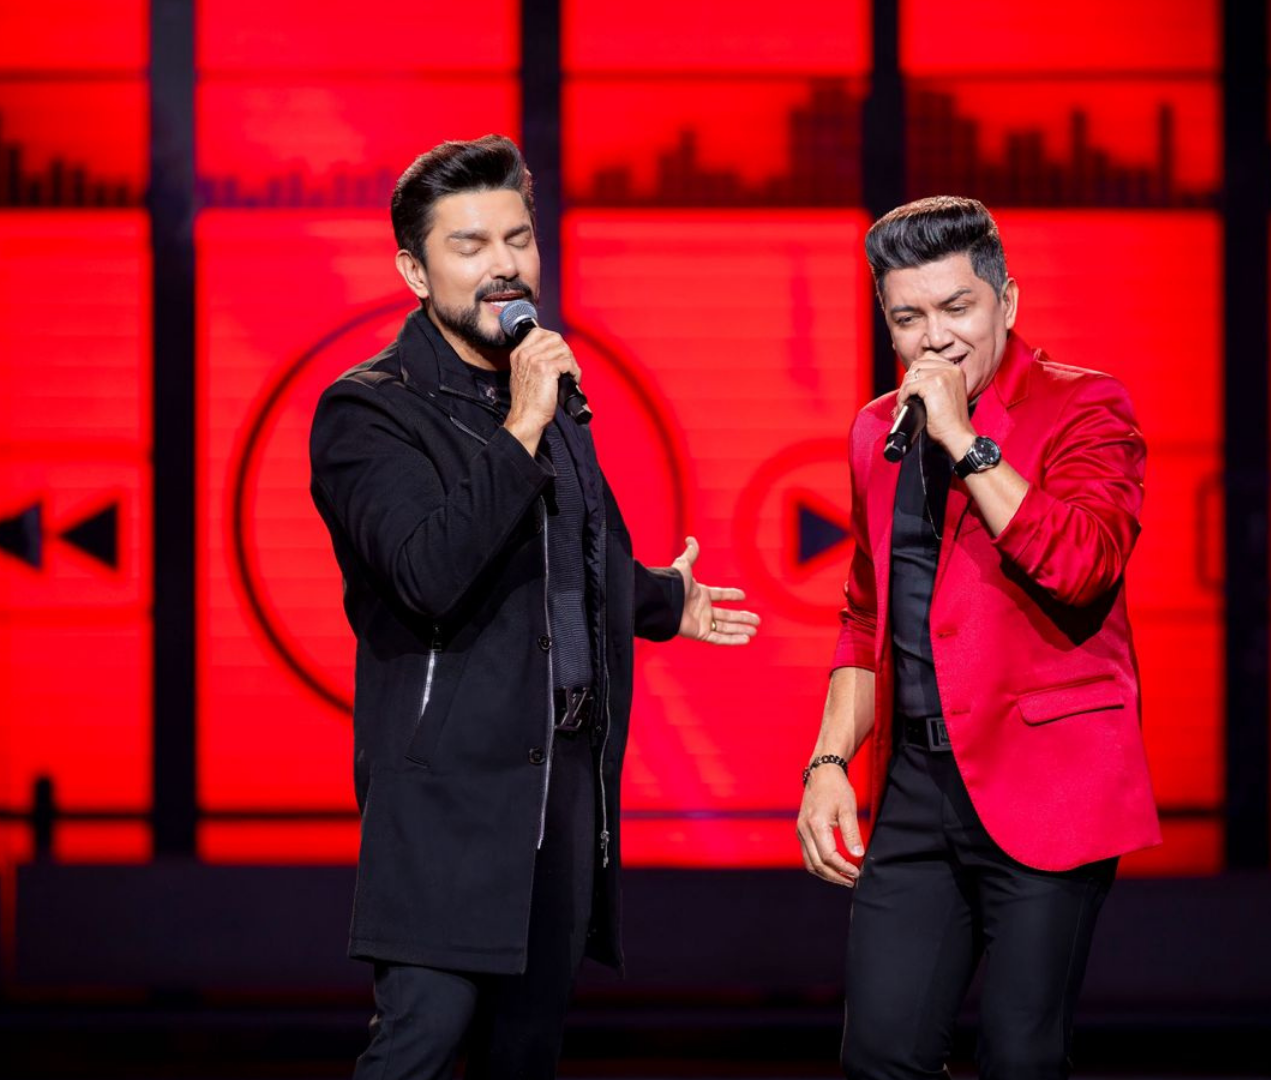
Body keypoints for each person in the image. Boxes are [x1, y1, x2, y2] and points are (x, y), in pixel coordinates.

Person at [309, 134, 760, 1079]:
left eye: (518, 238)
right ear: (413, 271)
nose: (504, 264)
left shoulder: (547, 392)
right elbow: (428, 571)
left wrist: (661, 601)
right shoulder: (370, 411)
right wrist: (521, 424)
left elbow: (569, 557)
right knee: (421, 1049)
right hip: (449, 797)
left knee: (524, 1058)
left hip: (560, 786)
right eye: (470, 244)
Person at [796, 196, 1161, 1079]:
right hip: (917, 787)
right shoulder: (875, 429)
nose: (935, 339)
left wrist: (963, 439)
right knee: (880, 1054)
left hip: (1048, 783)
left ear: (1008, 301)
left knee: (1021, 1057)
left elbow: (1083, 563)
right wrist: (829, 762)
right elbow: (865, 615)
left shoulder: (1085, 406)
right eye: (907, 318)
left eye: (957, 308)